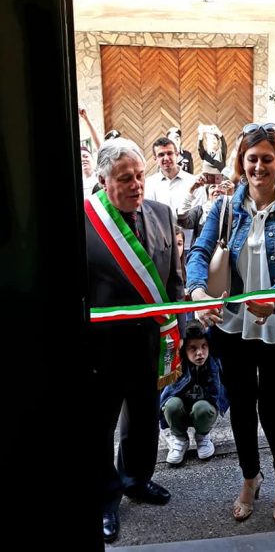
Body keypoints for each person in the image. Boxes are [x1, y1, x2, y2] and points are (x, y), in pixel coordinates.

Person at [186, 122, 275, 524]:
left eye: (267, 159)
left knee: (273, 410)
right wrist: (197, 293)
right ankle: (249, 477)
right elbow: (199, 251)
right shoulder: (225, 208)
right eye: (252, 159)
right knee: (241, 407)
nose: (259, 166)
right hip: (232, 327)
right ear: (242, 163)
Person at [84, 137, 185, 544]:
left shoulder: (162, 213)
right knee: (98, 427)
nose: (136, 184)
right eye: (125, 178)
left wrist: (181, 329)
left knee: (144, 418)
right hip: (102, 351)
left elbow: (174, 279)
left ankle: (136, 479)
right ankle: (104, 498)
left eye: (140, 176)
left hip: (150, 345)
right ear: (103, 180)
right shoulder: (86, 222)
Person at [160, 319, 228, 465]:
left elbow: (217, 333)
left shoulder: (213, 361)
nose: (200, 353)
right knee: (171, 405)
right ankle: (180, 439)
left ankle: (202, 437)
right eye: (193, 348)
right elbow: (165, 399)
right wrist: (165, 424)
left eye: (204, 346)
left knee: (202, 407)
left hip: (201, 412)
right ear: (184, 349)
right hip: (181, 413)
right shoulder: (177, 365)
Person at [176, 174, 234, 245]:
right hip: (201, 250)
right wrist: (191, 190)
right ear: (208, 194)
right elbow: (182, 219)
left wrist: (231, 199)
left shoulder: (236, 209)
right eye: (213, 187)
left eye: (222, 186)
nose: (217, 190)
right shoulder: (200, 211)